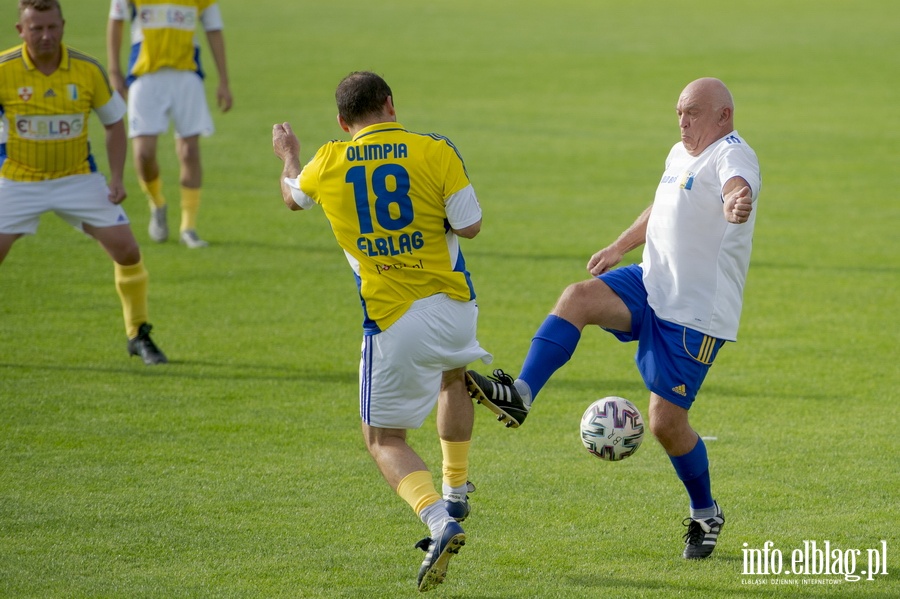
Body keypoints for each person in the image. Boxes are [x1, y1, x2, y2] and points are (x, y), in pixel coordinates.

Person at [467, 77, 760, 560]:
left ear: (723, 116)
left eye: (691, 112)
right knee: (577, 298)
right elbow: (663, 204)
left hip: (694, 314)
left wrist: (735, 199)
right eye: (678, 112)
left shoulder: (733, 153)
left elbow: (737, 184)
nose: (682, 121)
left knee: (666, 424)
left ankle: (706, 513)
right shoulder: (678, 152)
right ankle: (520, 395)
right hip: (650, 282)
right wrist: (619, 246)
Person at [272, 71, 491, 592]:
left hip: (393, 317)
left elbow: (292, 197)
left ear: (343, 122)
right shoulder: (435, 149)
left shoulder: (326, 160)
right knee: (452, 377)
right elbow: (471, 226)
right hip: (455, 303)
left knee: (383, 438)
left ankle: (441, 519)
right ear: (391, 105)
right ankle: (455, 489)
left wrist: (287, 154)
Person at [0, 0, 166, 366]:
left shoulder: (87, 69)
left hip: (77, 177)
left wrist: (119, 177)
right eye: (36, 28)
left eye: (52, 27)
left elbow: (113, 124)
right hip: (17, 178)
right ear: (20, 30)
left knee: (127, 250)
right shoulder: (3, 69)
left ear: (63, 25)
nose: (45, 35)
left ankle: (138, 333)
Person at [106, 0, 233, 248]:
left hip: (187, 75)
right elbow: (116, 20)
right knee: (143, 154)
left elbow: (214, 29)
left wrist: (224, 81)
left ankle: (189, 227)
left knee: (190, 152)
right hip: (145, 75)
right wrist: (114, 70)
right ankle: (157, 203)